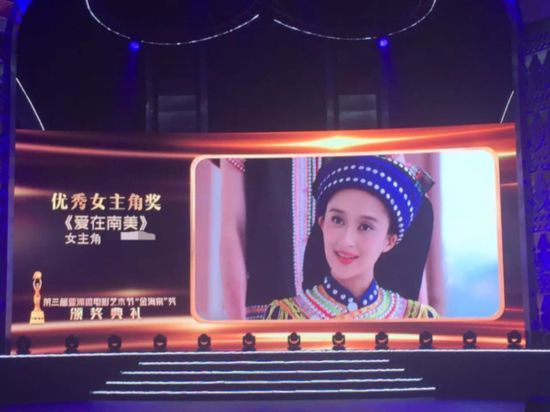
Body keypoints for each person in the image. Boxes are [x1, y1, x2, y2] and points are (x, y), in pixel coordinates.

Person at [264, 155, 438, 320]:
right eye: (337, 220)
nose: (346, 240)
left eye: (365, 227)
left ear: (389, 240)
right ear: (322, 223)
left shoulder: (415, 319)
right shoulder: (286, 316)